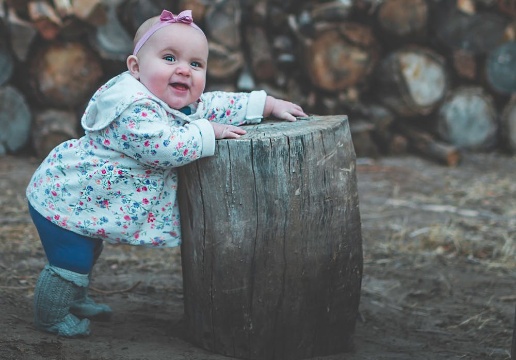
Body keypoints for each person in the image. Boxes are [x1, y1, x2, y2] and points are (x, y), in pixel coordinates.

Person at [26, 9, 307, 338]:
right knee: (70, 258)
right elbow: (164, 148)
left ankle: (75, 298)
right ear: (135, 67)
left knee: (88, 249)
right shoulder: (133, 108)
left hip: (84, 201)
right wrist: (207, 132)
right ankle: (51, 314)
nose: (183, 70)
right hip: (63, 198)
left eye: (195, 64)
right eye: (170, 57)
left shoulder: (168, 100)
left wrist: (265, 104)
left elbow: (212, 104)